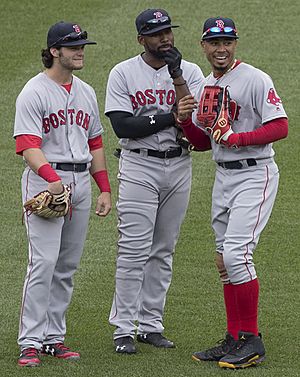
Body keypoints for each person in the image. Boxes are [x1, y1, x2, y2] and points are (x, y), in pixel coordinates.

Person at [175, 17, 288, 369]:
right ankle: (234, 336)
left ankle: (252, 340)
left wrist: (239, 139)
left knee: (238, 255)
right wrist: (182, 120)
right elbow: (203, 143)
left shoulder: (254, 78)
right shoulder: (208, 84)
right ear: (204, 46)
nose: (221, 48)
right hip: (224, 178)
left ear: (235, 44)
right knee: (224, 261)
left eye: (227, 41)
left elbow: (280, 126)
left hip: (255, 174)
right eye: (214, 42)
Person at [104, 8, 204, 354]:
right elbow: (123, 126)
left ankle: (150, 325)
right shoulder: (123, 73)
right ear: (141, 39)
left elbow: (196, 120)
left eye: (168, 31)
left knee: (163, 249)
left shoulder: (189, 71)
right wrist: (170, 117)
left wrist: (177, 78)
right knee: (133, 249)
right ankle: (122, 328)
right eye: (156, 33)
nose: (165, 38)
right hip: (138, 167)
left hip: (179, 165)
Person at [14, 21, 112, 367]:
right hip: (46, 181)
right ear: (54, 51)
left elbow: (95, 141)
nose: (80, 50)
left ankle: (53, 338)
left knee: (67, 266)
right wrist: (51, 179)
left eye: (82, 44)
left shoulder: (85, 91)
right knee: (42, 263)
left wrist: (104, 187)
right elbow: (26, 144)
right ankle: (29, 341)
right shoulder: (34, 91)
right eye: (73, 46)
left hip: (81, 183)